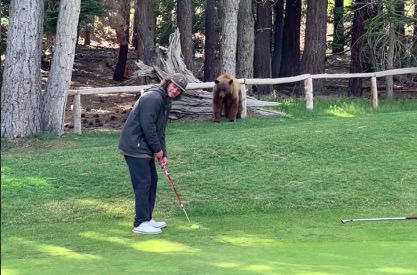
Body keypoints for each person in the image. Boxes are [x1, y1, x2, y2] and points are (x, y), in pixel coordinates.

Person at [118, 73, 188, 234]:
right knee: (143, 183)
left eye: (179, 89)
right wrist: (157, 150)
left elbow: (160, 130)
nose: (175, 90)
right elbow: (147, 127)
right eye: (174, 86)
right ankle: (140, 223)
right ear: (168, 83)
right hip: (135, 145)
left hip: (144, 146)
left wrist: (163, 154)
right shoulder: (154, 98)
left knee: (152, 181)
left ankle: (147, 218)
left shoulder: (165, 101)